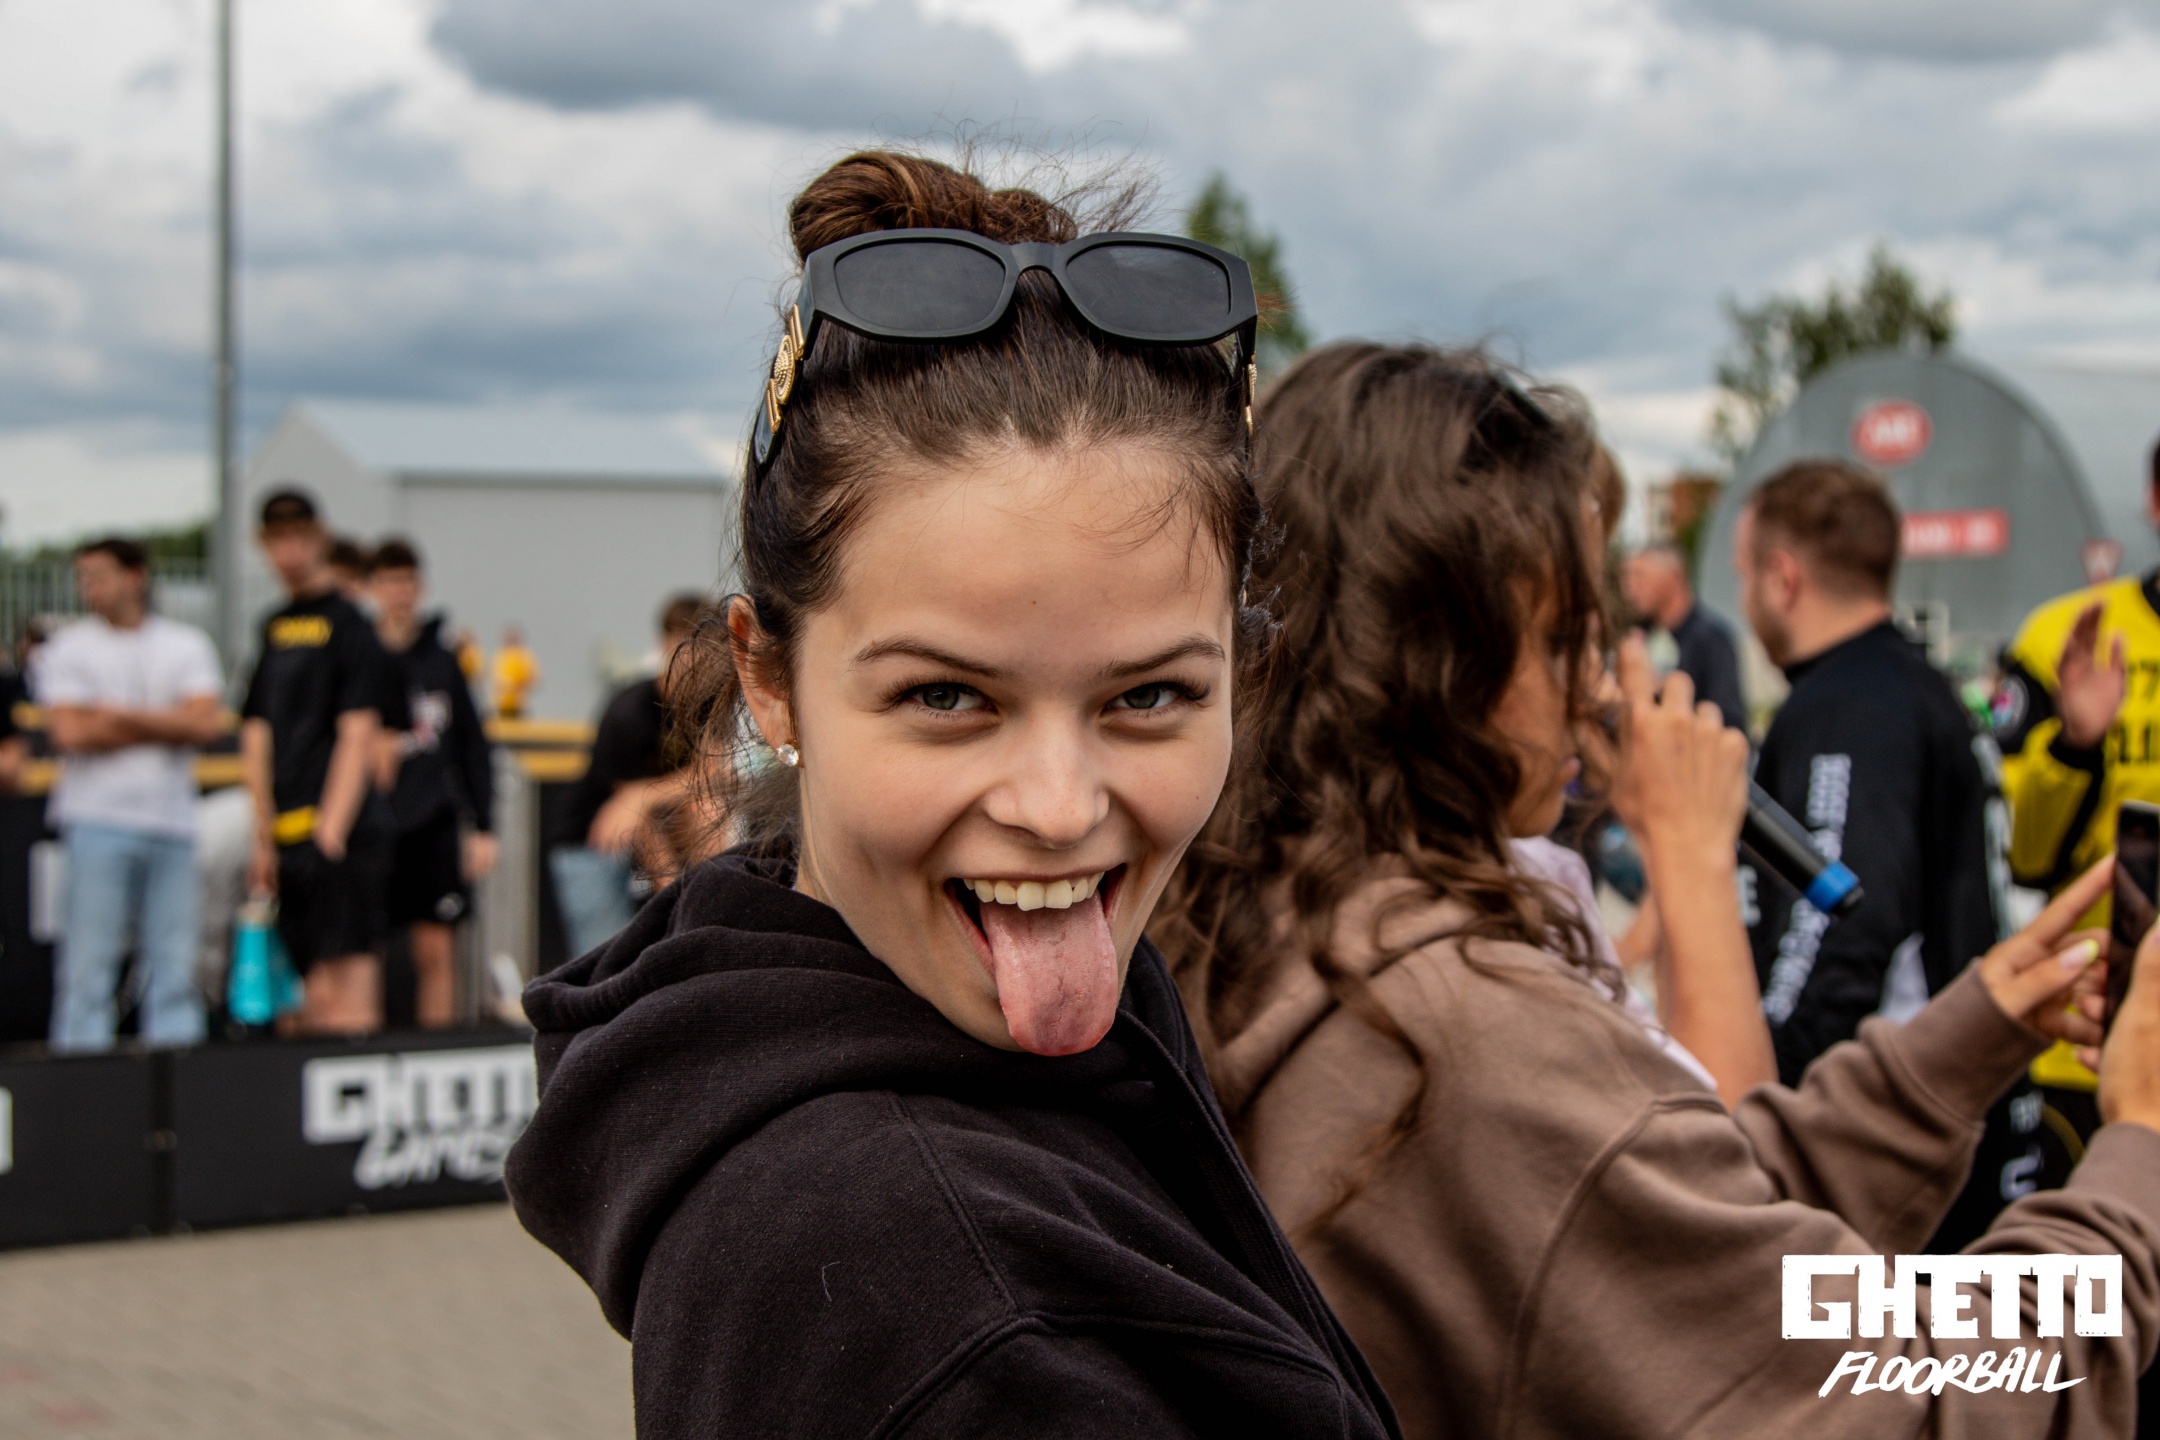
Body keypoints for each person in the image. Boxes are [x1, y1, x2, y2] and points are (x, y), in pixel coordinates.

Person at [506, 150, 1397, 1438]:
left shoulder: (821, 1041)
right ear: (769, 680)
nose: (1057, 806)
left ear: (1239, 674)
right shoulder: (961, 1310)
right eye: (945, 697)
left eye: (1149, 695)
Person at [1156, 341, 2158, 1440]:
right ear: (1434, 660)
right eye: (1563, 638)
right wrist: (2134, 1169)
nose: (1598, 688)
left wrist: (1965, 1040)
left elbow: (1682, 1216)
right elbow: (1902, 1400)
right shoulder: (1471, 1038)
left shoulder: (1269, 926)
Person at [1733, 460, 2039, 1245]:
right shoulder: (1916, 683)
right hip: (1962, 1112)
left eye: (1744, 575)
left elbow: (1838, 925)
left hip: (1898, 1149)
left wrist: (1756, 1098)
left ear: (1782, 577)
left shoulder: (1850, 709)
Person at [1992, 431, 2160, 1088]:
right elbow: (2022, 859)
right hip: (2088, 1039)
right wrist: (2076, 746)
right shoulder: (2066, 635)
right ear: (2154, 500)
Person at [37, 537, 225, 1050]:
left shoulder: (185, 644)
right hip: (95, 820)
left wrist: (118, 716)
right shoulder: (69, 647)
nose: (88, 587)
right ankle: (81, 1077)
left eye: (98, 575)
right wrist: (168, 722)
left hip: (173, 824)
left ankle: (176, 1078)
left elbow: (204, 724)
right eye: (82, 577)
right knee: (88, 967)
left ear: (135, 576)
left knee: (176, 966)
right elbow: (70, 733)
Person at [240, 489, 404, 1034]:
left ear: (320, 539)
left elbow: (359, 732)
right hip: (287, 833)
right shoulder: (273, 627)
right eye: (277, 540)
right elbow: (257, 732)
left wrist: (330, 833)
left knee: (347, 990)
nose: (289, 553)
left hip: (340, 833)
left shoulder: (350, 623)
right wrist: (262, 837)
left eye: (299, 538)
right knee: (302, 997)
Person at [369, 538, 498, 1028]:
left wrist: (483, 826)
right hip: (373, 824)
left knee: (436, 949)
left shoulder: (442, 659)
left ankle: (434, 1046)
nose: (400, 593)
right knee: (365, 952)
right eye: (389, 582)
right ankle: (361, 1050)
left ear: (419, 587)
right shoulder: (359, 655)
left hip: (433, 823)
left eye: (407, 582)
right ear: (373, 588)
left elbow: (473, 746)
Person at [545, 595, 706, 958]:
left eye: (706, 650)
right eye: (687, 647)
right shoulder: (630, 711)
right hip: (590, 844)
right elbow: (633, 814)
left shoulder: (704, 710)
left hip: (644, 835)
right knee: (604, 962)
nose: (696, 661)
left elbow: (711, 778)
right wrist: (677, 898)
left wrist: (647, 795)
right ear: (665, 644)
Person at [1621, 539, 1748, 732]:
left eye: (1640, 576)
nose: (1630, 588)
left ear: (1673, 578)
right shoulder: (1639, 639)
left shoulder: (1711, 640)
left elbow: (1730, 722)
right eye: (1627, 577)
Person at [490, 625, 538, 719]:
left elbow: (533, 677)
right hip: (502, 703)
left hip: (519, 704)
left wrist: (519, 684)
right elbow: (497, 679)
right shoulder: (501, 655)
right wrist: (509, 685)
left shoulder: (524, 656)